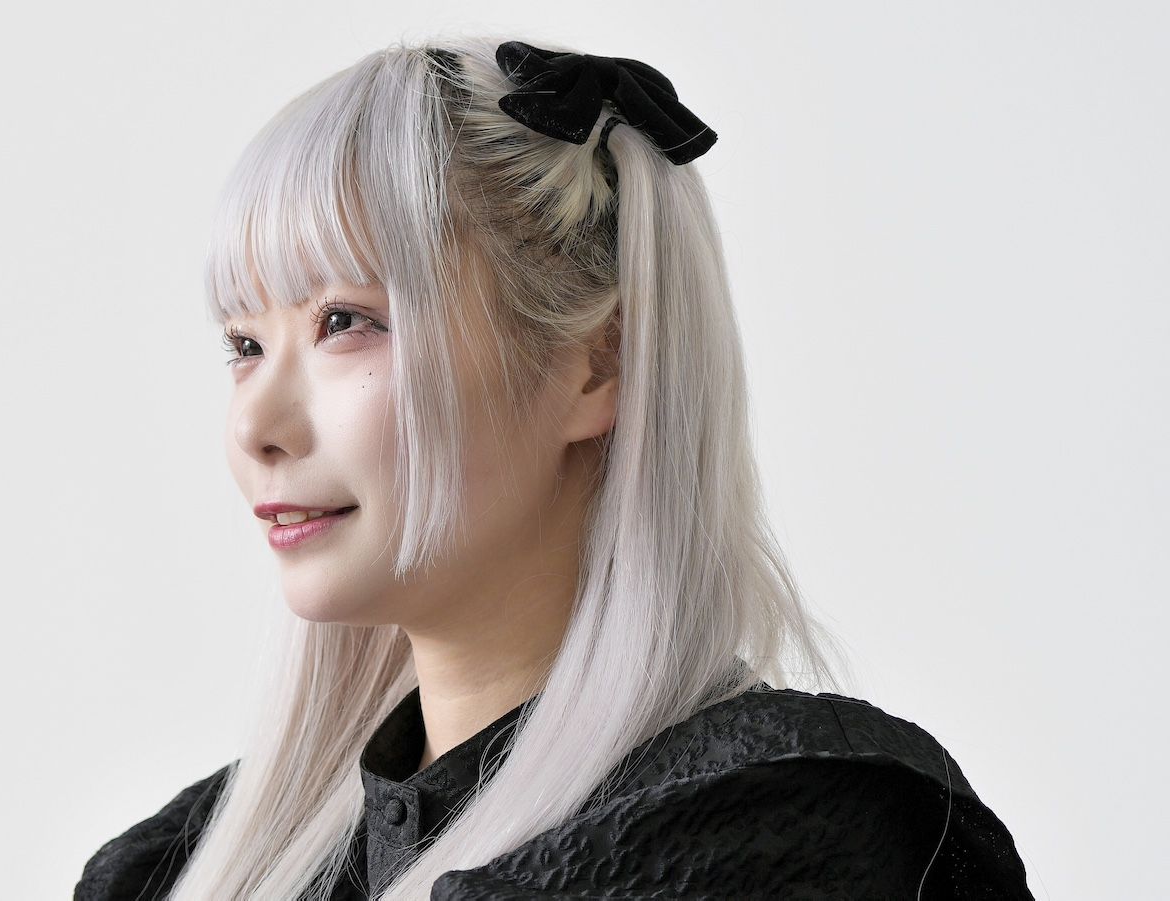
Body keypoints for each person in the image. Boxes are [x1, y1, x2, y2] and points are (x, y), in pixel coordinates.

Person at [74, 33, 1034, 900]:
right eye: (244, 345)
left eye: (346, 322)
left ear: (597, 364)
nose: (255, 425)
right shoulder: (175, 869)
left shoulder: (787, 833)